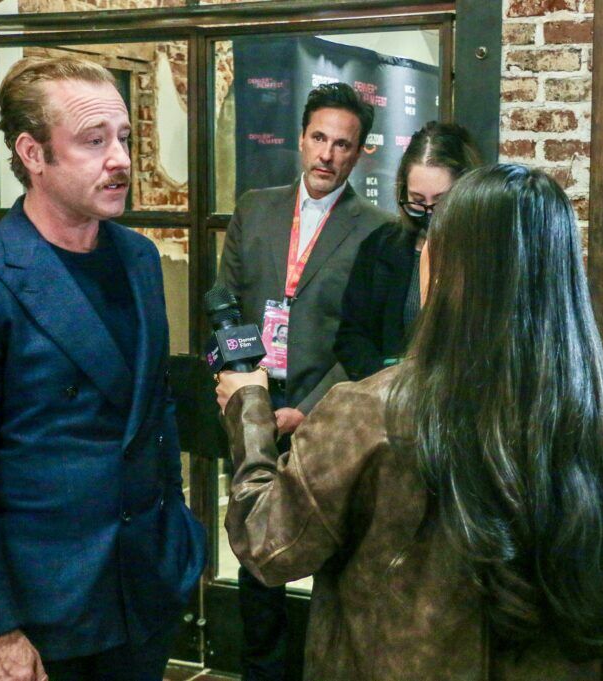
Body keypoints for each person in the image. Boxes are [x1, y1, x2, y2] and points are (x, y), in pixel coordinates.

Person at [215, 164, 603, 680]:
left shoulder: (368, 414)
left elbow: (269, 544)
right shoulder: (602, 432)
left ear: (450, 270)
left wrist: (248, 408)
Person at [0, 56, 206, 681]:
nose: (121, 159)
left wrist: (177, 532)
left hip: (143, 585)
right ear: (33, 154)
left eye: (124, 138)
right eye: (93, 141)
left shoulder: (137, 258)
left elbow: (153, 410)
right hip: (43, 607)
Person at [218, 82, 391, 681]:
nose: (327, 155)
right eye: (319, 138)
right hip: (256, 406)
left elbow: (368, 341)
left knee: (335, 557)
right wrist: (249, 395)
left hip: (332, 415)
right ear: (301, 138)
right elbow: (228, 310)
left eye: (343, 145)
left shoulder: (377, 230)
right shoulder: (254, 208)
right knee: (256, 552)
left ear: (360, 152)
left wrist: (313, 411)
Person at [334, 121, 480, 380]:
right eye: (417, 201)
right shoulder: (380, 246)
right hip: (388, 399)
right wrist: (386, 375)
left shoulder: (485, 255)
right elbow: (351, 336)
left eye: (441, 201)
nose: (428, 214)